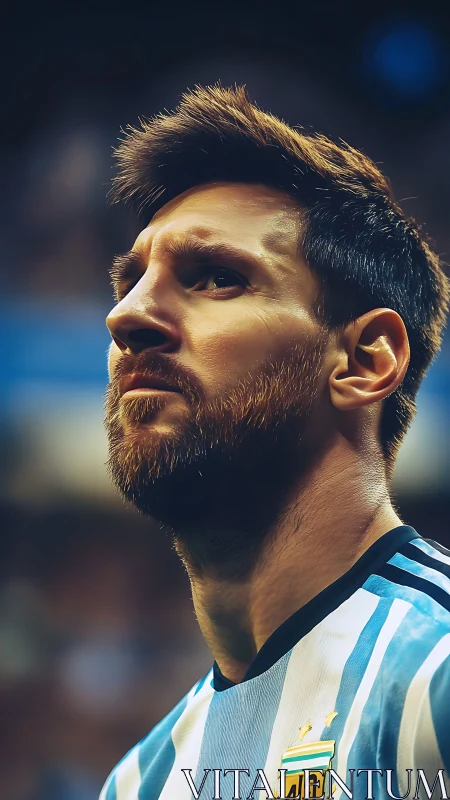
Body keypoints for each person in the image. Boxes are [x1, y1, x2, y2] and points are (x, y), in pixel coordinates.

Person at [100, 84, 450, 800]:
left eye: (217, 278)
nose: (127, 316)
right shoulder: (141, 780)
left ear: (365, 360)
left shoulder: (434, 675)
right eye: (130, 282)